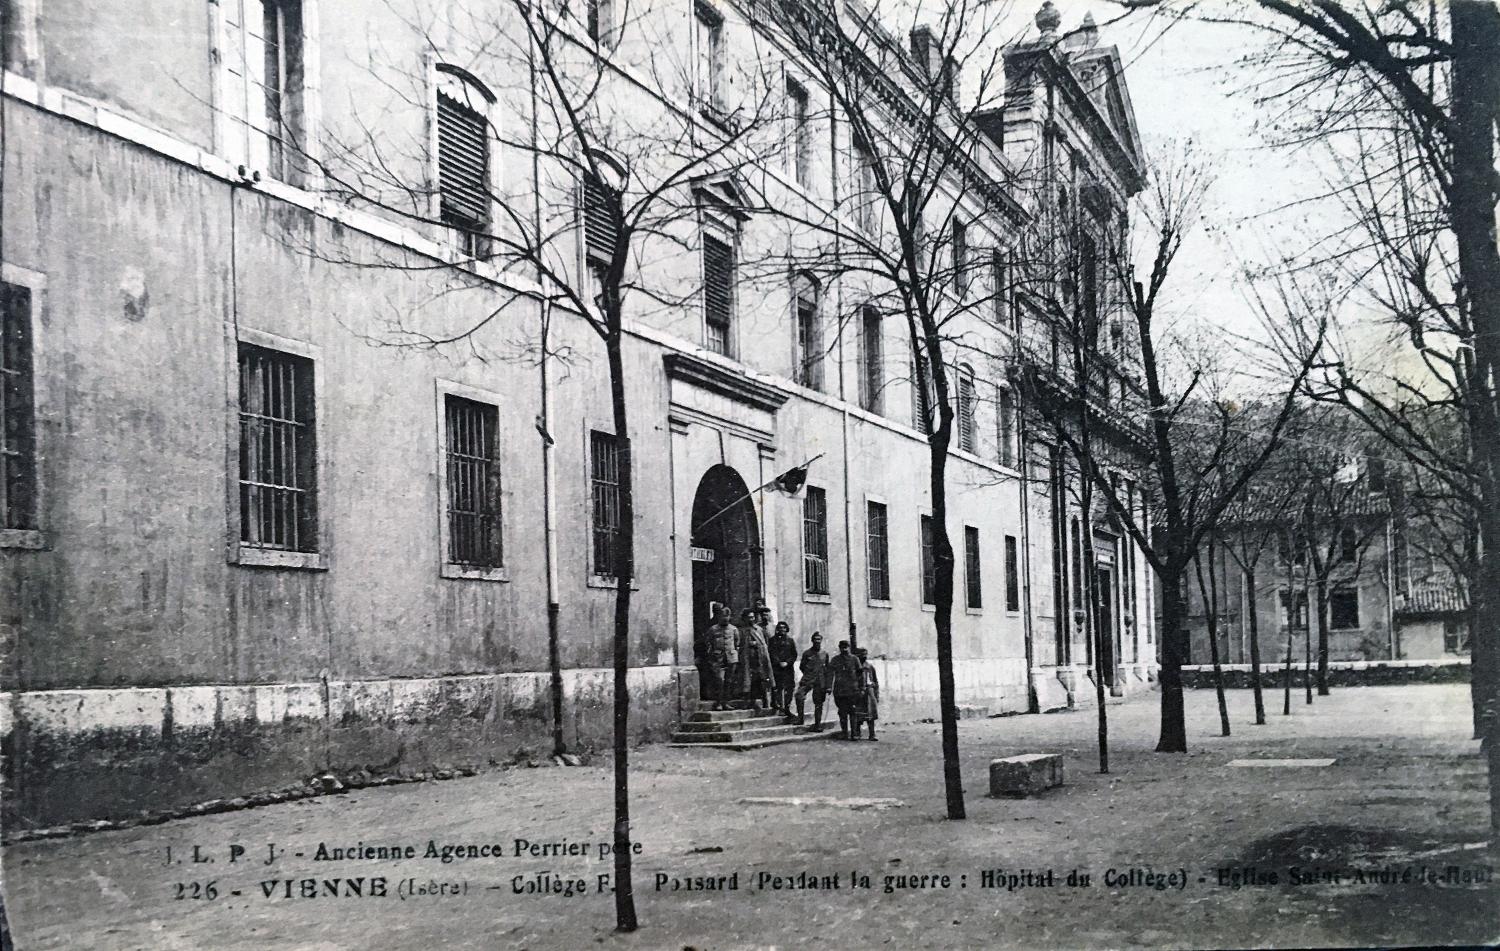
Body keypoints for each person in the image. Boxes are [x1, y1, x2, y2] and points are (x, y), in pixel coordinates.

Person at [828, 639, 866, 740]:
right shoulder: (835, 660)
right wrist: (828, 687)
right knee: (842, 713)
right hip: (840, 691)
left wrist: (862, 688)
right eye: (842, 647)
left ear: (849, 647)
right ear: (839, 648)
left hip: (853, 690)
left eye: (846, 647)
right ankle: (844, 733)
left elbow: (860, 675)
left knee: (853, 712)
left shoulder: (855, 659)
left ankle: (853, 734)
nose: (844, 649)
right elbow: (830, 674)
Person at [704, 604, 739, 711]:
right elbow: (708, 642)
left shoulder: (733, 629)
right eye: (723, 616)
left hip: (731, 658)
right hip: (717, 658)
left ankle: (726, 702)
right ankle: (718, 702)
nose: (725, 618)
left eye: (727, 616)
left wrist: (734, 653)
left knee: (729, 681)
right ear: (719, 617)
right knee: (719, 680)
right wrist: (712, 654)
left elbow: (737, 643)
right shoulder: (713, 629)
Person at [794, 632, 831, 730]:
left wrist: (827, 685)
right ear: (812, 641)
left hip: (820, 681)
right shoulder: (807, 653)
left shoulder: (824, 654)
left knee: (818, 703)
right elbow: (802, 666)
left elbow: (828, 670)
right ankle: (800, 718)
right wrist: (809, 674)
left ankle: (817, 724)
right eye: (815, 639)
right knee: (799, 695)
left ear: (821, 640)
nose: (817, 641)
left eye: (819, 639)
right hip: (808, 679)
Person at [740, 608, 773, 712]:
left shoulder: (759, 629)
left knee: (762, 679)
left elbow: (765, 643)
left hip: (759, 659)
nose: (751, 619)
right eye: (749, 617)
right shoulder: (741, 630)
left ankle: (765, 701)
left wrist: (756, 644)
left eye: (753, 617)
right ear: (744, 618)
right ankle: (748, 702)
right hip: (747, 659)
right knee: (747, 681)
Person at [768, 621, 798, 717]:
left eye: (784, 628)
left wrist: (787, 662)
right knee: (778, 687)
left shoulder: (790, 640)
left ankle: (787, 708)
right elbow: (771, 653)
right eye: (780, 627)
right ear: (777, 629)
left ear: (787, 629)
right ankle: (779, 706)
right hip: (777, 668)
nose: (782, 629)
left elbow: (794, 654)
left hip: (788, 669)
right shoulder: (772, 640)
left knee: (789, 688)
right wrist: (778, 662)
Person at [854, 647, 880, 741]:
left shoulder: (870, 666)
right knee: (858, 713)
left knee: (871, 714)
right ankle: (857, 733)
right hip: (859, 692)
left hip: (870, 692)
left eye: (865, 654)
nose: (864, 656)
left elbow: (875, 681)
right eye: (862, 654)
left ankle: (872, 734)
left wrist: (876, 694)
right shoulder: (855, 667)